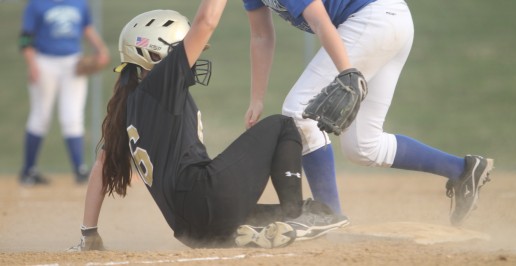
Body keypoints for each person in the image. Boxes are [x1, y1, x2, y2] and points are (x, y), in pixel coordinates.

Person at [68, 6, 348, 251]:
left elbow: (101, 166)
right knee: (283, 125)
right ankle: (294, 214)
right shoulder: (159, 85)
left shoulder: (129, 107)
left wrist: (89, 233)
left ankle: (264, 228)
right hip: (205, 197)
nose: (194, 57)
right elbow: (206, 21)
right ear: (154, 54)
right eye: (180, 50)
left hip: (191, 231)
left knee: (313, 212)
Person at [242, 0, 494, 226]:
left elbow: (319, 20)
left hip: (373, 19)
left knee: (299, 110)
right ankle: (462, 170)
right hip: (388, 21)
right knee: (363, 146)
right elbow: (261, 35)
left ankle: (328, 212)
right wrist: (257, 98)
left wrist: (346, 72)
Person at [18, 0, 110, 185]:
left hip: (73, 63)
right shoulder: (36, 4)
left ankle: (80, 170)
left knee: (73, 115)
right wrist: (32, 64)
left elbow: (86, 27)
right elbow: (25, 38)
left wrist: (100, 48)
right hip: (44, 61)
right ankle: (28, 170)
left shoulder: (79, 3)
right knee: (40, 115)